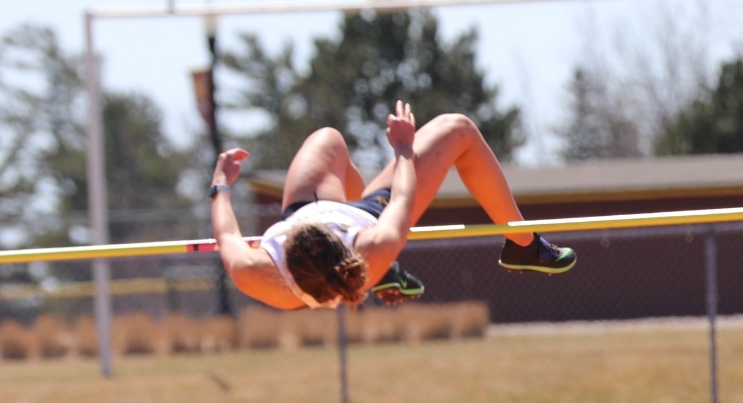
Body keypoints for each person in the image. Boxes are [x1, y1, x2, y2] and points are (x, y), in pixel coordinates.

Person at [208, 101, 575, 310]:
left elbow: (226, 231)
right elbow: (402, 196)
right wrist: (402, 148)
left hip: (309, 212)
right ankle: (524, 246)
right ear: (345, 245)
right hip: (369, 214)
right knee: (458, 128)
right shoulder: (374, 245)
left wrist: (220, 184)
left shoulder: (256, 270)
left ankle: (384, 276)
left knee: (327, 140)